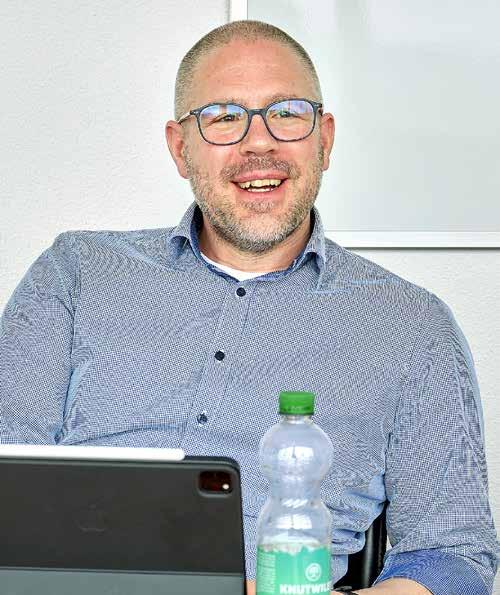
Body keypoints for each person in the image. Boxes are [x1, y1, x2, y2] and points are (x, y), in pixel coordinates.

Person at [0, 19, 497, 595]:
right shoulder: (76, 273)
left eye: (286, 113)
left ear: (325, 139)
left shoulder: (412, 327)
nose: (259, 143)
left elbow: (456, 553)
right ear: (180, 148)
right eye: (223, 117)